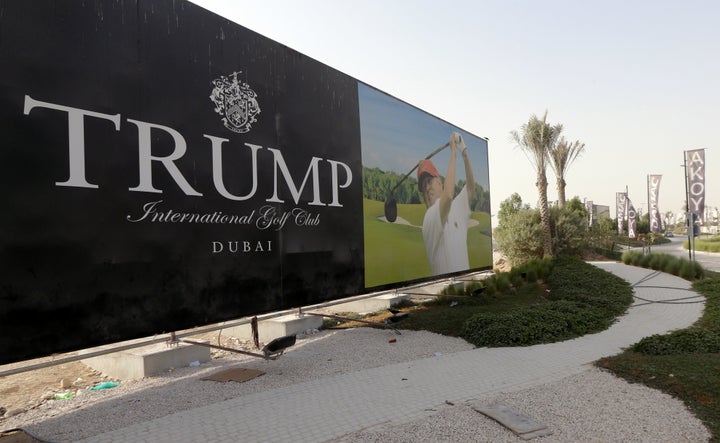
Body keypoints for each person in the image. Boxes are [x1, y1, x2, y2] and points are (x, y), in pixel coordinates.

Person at [417, 132, 475, 275]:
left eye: (429, 181)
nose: (427, 188)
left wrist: (464, 153)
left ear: (439, 181)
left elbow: (470, 188)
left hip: (465, 288)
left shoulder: (456, 207)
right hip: (444, 292)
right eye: (423, 187)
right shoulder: (429, 217)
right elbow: (448, 195)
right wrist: (453, 153)